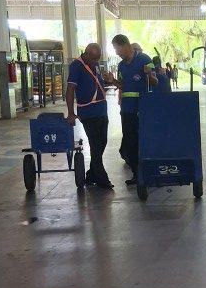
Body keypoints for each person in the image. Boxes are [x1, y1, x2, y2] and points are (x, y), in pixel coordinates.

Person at [65, 43, 114, 190]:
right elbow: (70, 90)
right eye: (93, 58)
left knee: (102, 143)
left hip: (101, 110)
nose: (95, 61)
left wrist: (108, 79)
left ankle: (91, 175)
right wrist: (71, 113)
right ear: (85, 54)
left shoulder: (96, 64)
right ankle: (102, 179)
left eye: (97, 58)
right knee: (95, 144)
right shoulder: (76, 66)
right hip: (87, 112)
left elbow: (97, 82)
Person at [112, 33, 157, 185]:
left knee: (145, 139)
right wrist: (113, 81)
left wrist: (149, 74)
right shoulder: (121, 65)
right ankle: (136, 174)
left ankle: (149, 171)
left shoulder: (145, 59)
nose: (117, 53)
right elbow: (123, 85)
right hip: (127, 109)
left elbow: (155, 82)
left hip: (143, 108)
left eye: (117, 49)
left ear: (125, 46)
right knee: (130, 141)